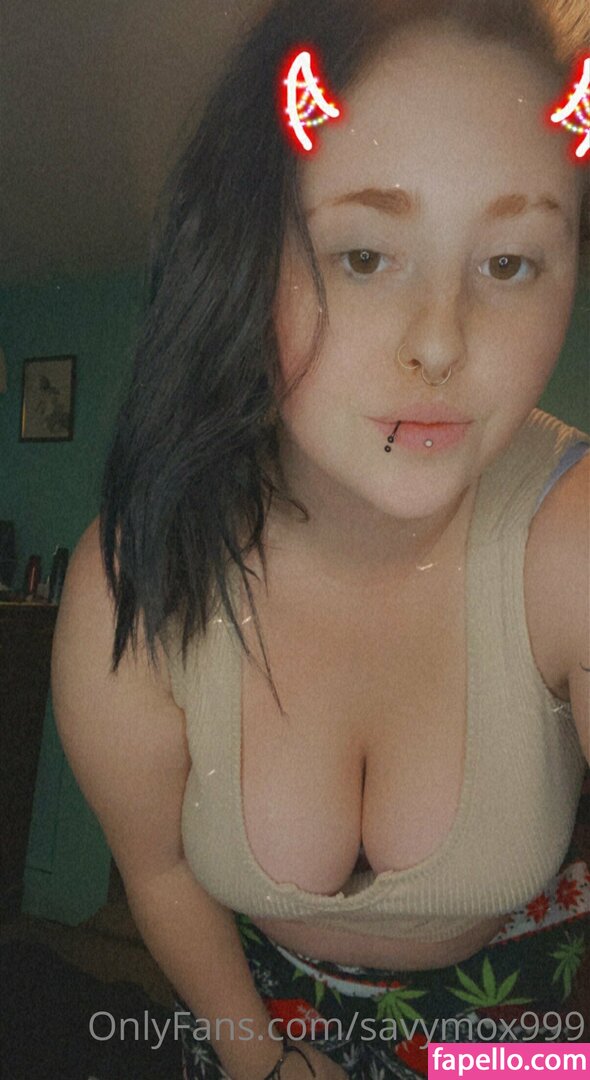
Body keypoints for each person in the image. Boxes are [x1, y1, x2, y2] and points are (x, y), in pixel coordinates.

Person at [51, 1, 590, 1077]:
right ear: (243, 259)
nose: (439, 343)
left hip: (523, 1025)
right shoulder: (132, 580)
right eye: (363, 254)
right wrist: (260, 1062)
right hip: (253, 1011)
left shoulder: (571, 539)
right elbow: (159, 873)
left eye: (508, 263)